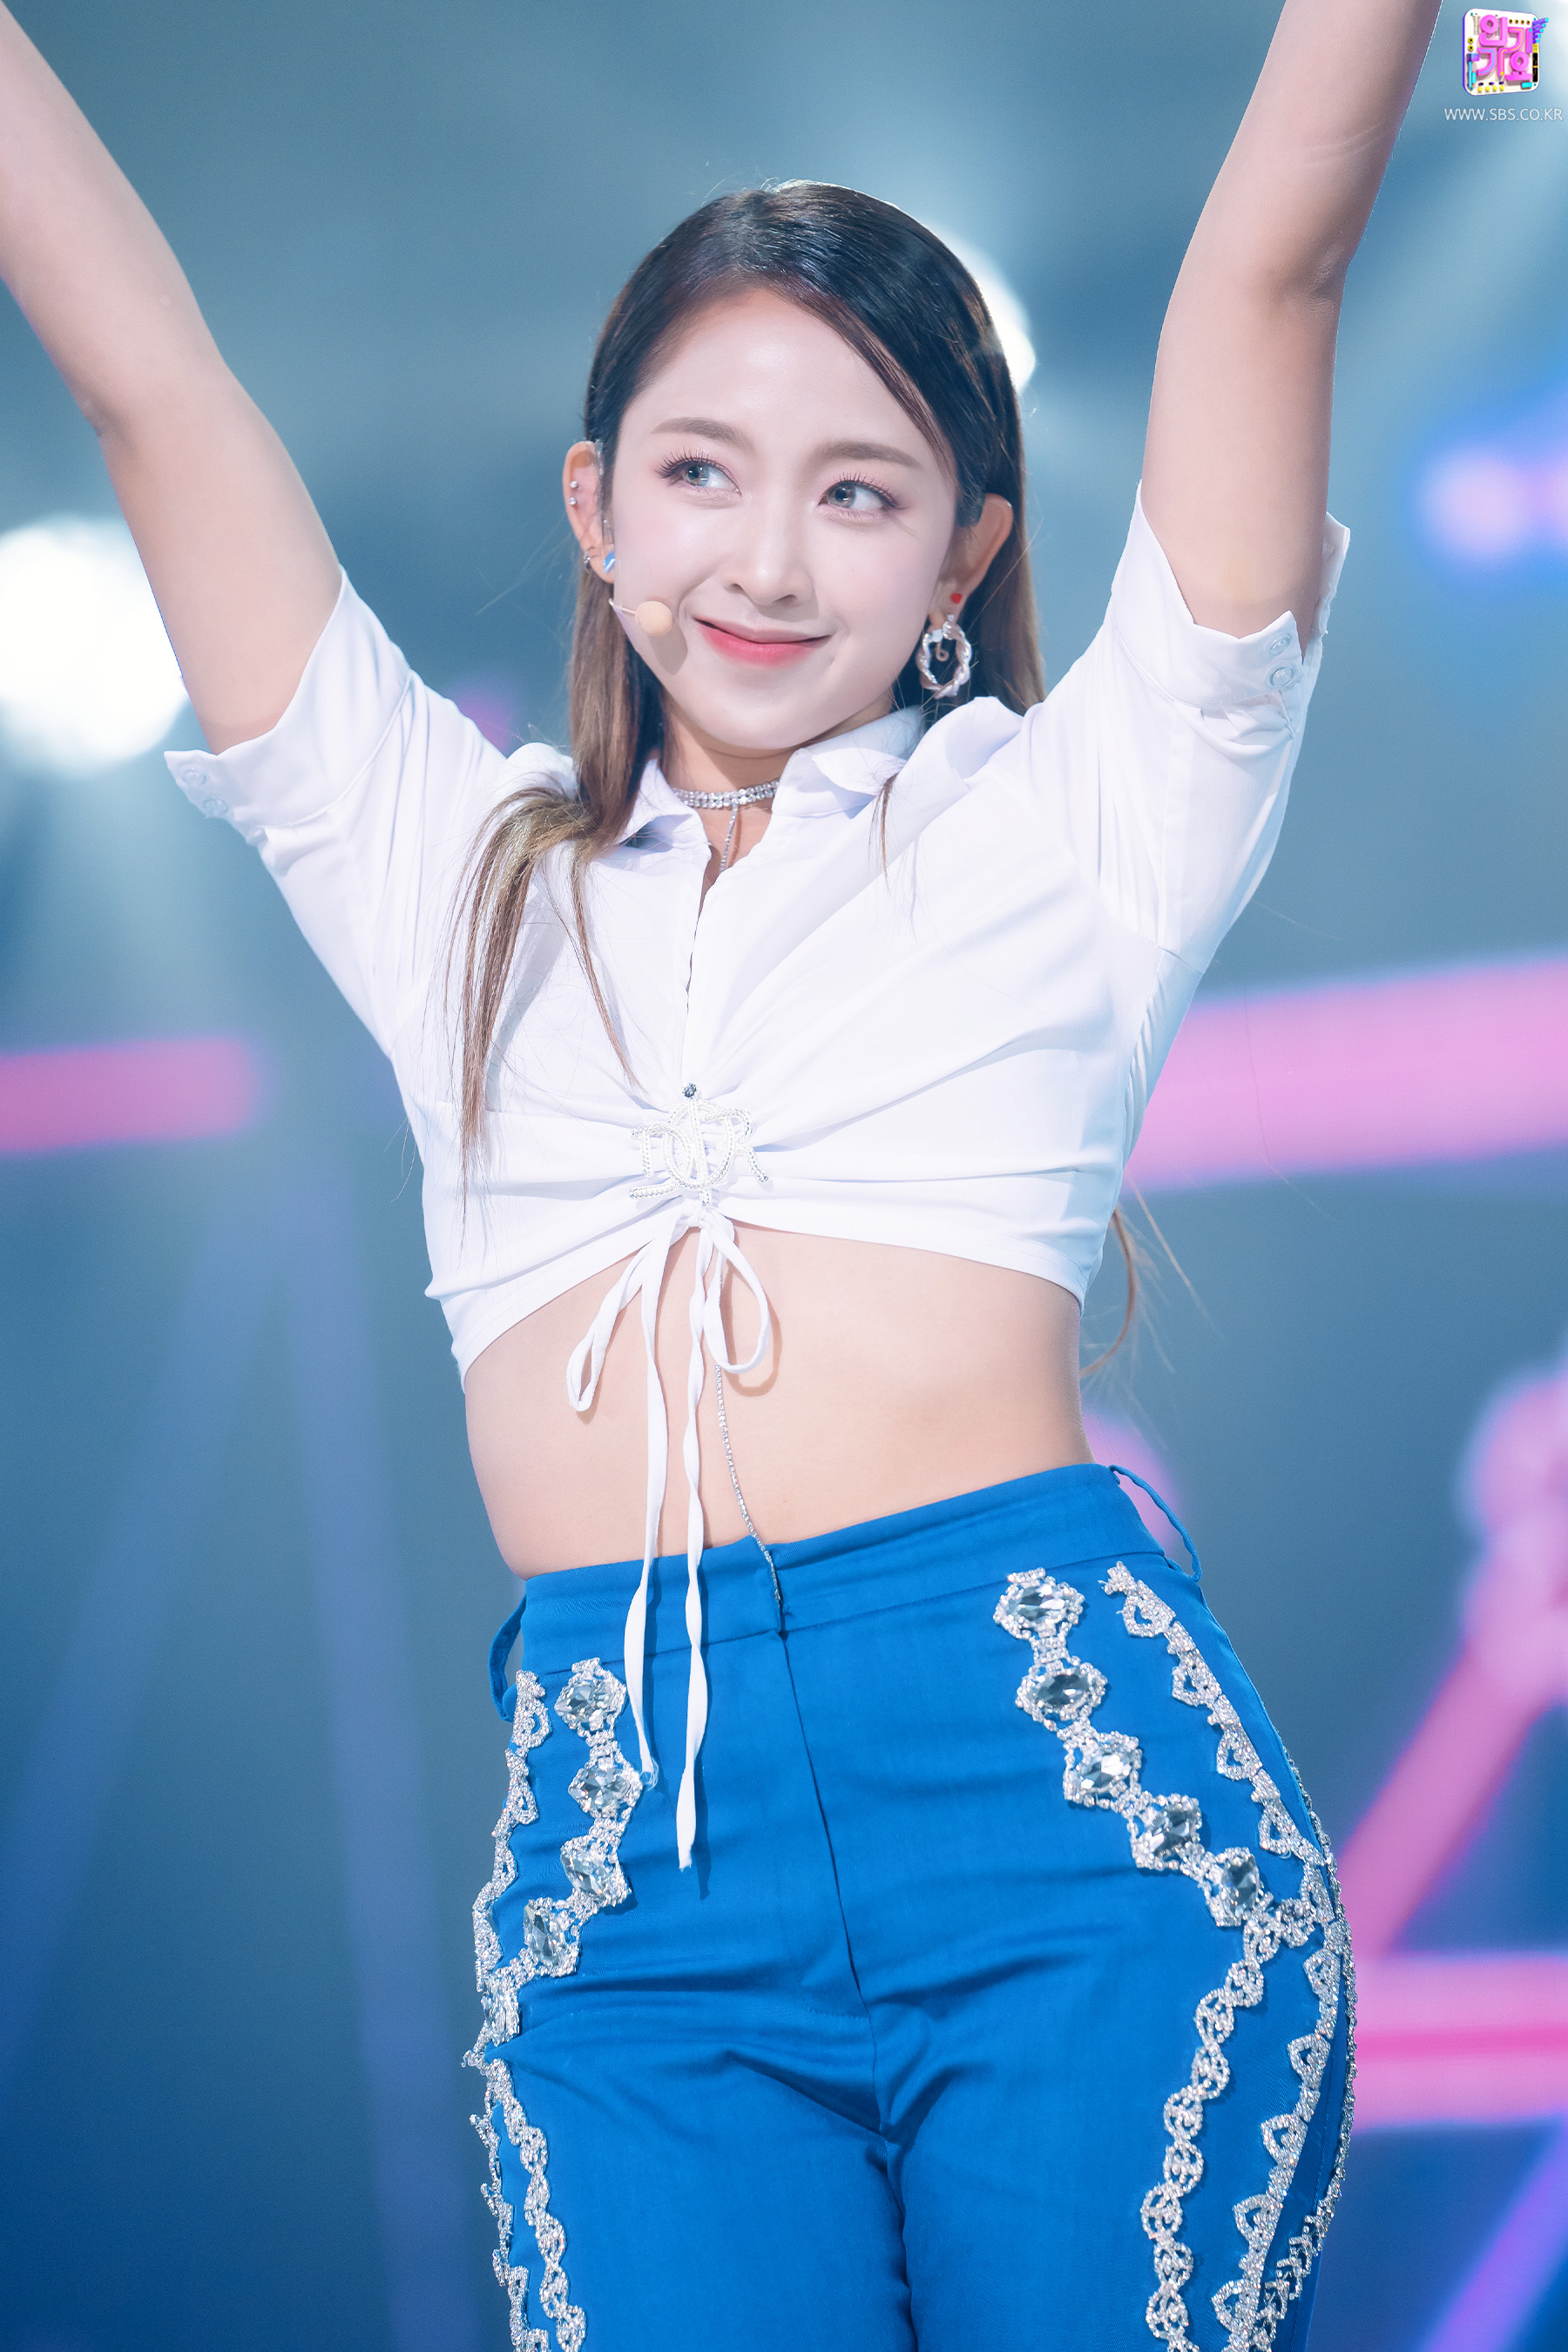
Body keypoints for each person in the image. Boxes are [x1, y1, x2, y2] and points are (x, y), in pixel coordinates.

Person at [0, 3, 1441, 2345]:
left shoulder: (1090, 819)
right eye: (700, 471)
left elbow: (1274, 266)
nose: (768, 558)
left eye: (859, 492)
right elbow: (148, 384)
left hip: (1074, 1848)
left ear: (969, 548)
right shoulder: (446, 869)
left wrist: (1497, 45)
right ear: (596, 508)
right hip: (633, 1910)